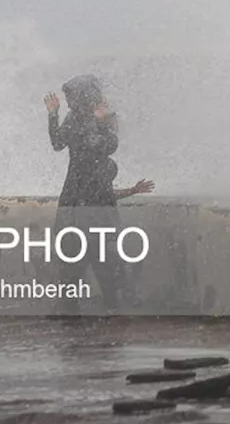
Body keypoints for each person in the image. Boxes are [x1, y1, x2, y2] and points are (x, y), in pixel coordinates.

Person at [44, 74, 154, 313]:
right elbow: (63, 143)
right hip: (80, 201)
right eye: (67, 97)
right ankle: (84, 311)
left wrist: (99, 122)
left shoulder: (93, 119)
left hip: (82, 202)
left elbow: (105, 146)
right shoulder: (79, 119)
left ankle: (94, 312)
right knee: (85, 262)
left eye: (71, 96)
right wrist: (54, 114)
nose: (69, 101)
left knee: (91, 263)